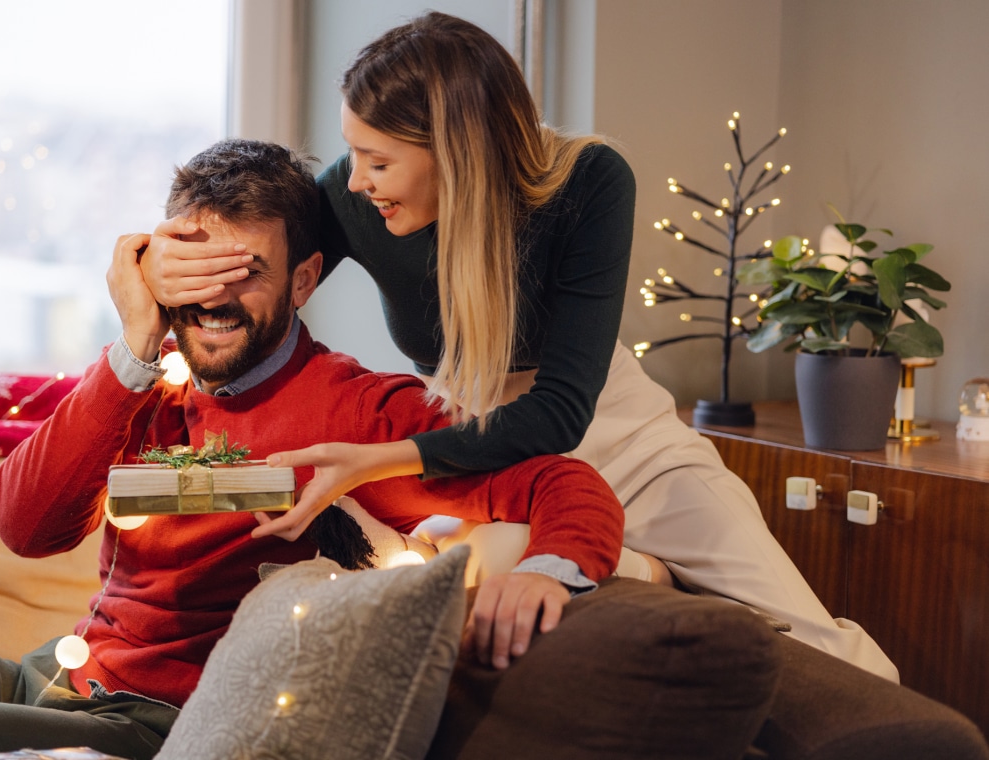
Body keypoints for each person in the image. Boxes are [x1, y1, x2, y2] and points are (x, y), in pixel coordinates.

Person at [140, 11, 898, 681]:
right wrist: (143, 263)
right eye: (353, 153)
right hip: (481, 455)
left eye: (379, 160)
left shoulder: (589, 182)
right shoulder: (352, 197)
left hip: (613, 428)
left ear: (453, 148)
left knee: (805, 634)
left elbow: (562, 412)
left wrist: (382, 459)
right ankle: (636, 572)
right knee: (461, 598)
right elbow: (257, 268)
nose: (356, 181)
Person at [0, 139, 621, 760]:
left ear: (303, 280)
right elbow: (26, 524)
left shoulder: (352, 409)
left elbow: (557, 481)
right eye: (192, 267)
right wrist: (133, 343)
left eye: (245, 272)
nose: (214, 297)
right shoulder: (146, 378)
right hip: (56, 675)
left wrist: (548, 570)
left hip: (152, 726)